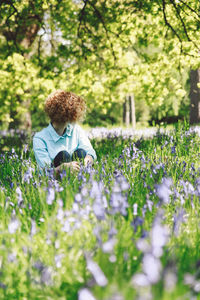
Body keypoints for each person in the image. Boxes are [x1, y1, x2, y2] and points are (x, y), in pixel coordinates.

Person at [33, 90, 96, 175]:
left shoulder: (76, 130)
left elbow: (91, 152)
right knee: (63, 155)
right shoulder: (40, 138)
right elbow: (45, 171)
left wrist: (86, 161)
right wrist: (62, 168)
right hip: (56, 181)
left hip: (80, 174)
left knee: (81, 152)